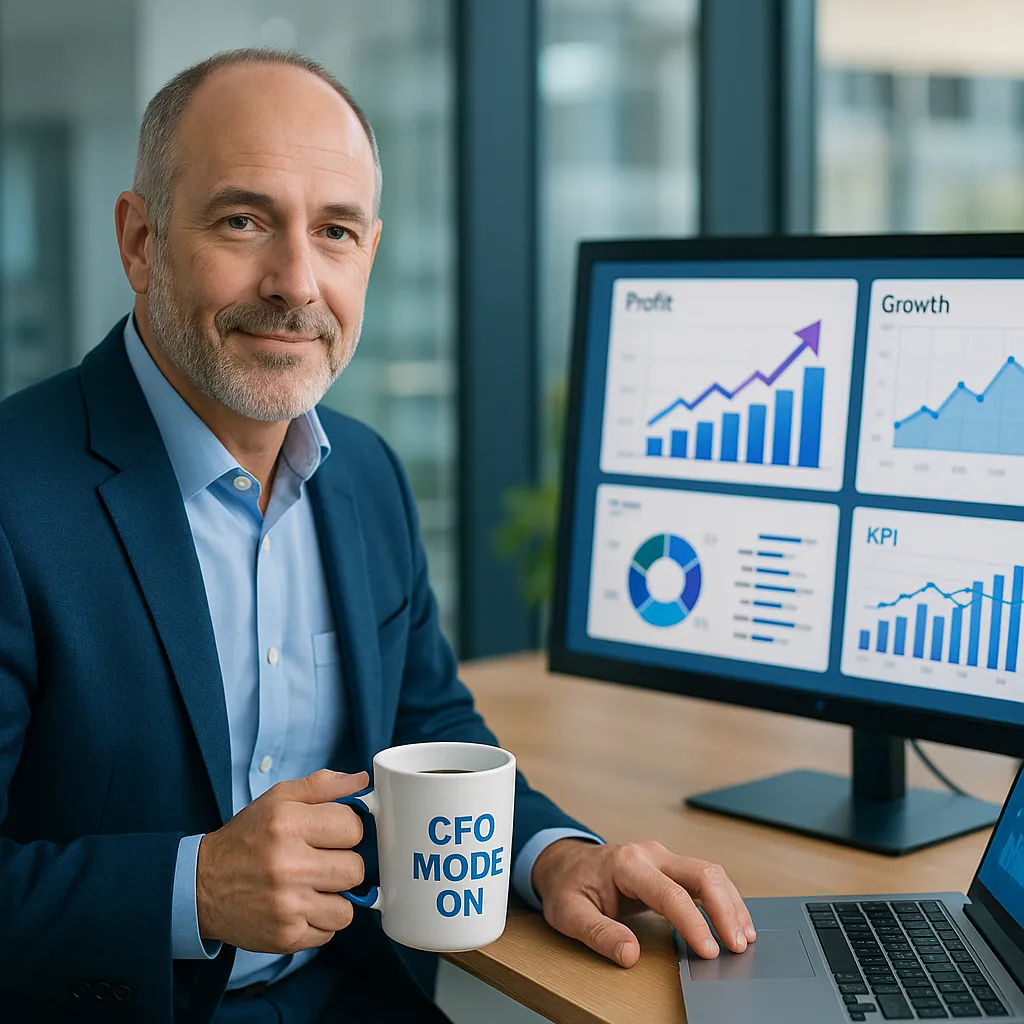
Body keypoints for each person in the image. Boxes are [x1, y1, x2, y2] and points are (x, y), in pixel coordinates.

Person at [0, 48, 755, 1023]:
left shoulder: (362, 473)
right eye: (243, 220)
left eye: (337, 231)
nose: (296, 281)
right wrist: (190, 889)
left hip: (352, 996)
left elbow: (428, 731)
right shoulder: (17, 494)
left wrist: (558, 855)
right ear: (140, 240)